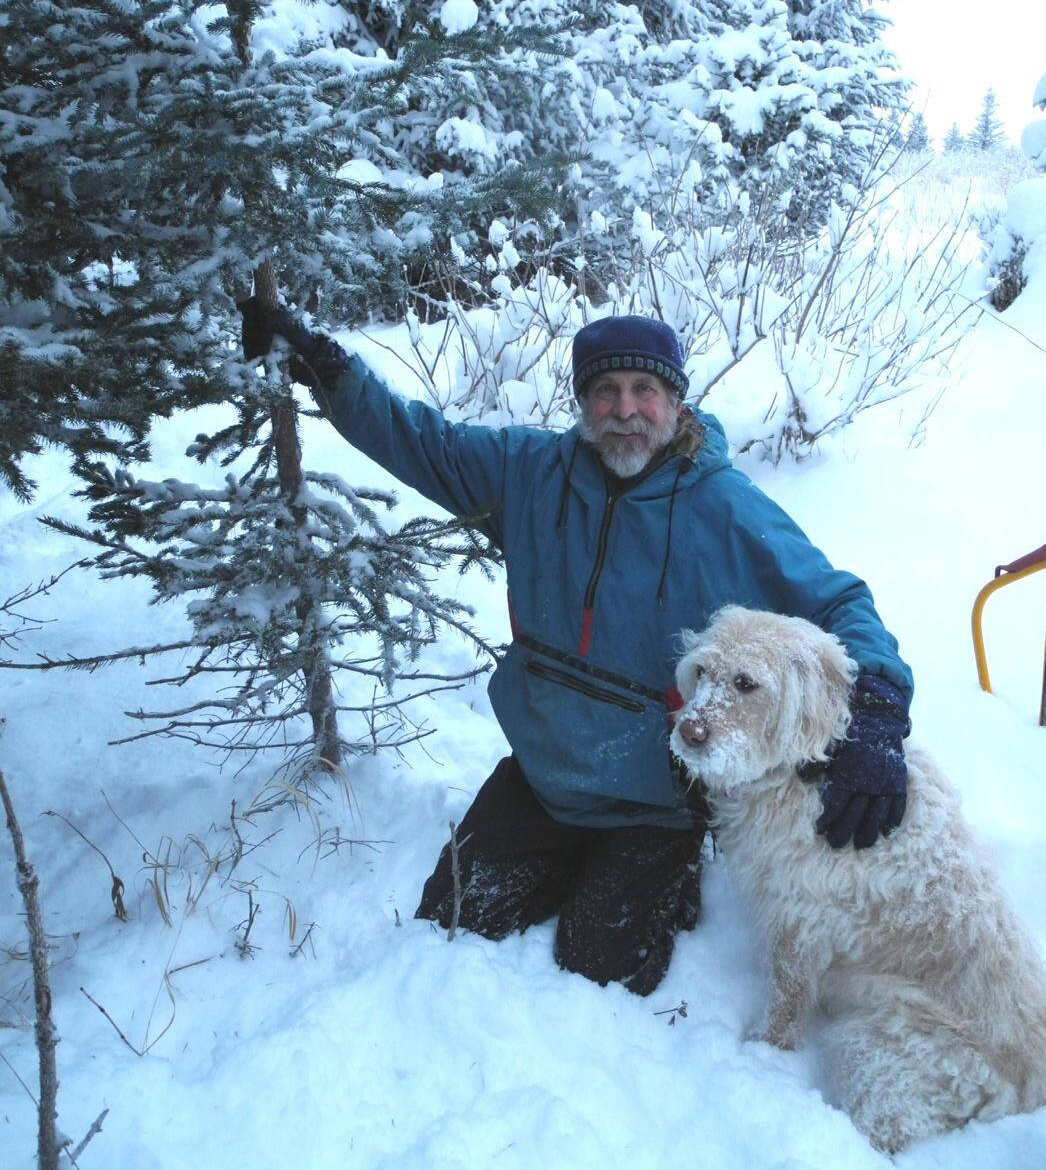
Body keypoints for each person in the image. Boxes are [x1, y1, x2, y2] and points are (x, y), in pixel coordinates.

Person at [239, 303, 913, 996]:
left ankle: (668, 866)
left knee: (600, 964)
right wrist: (330, 371)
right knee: (455, 914)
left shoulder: (726, 509)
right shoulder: (528, 472)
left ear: (675, 402)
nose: (624, 410)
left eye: (643, 390)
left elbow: (840, 603)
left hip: (654, 794)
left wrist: (879, 713)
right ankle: (566, 858)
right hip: (546, 772)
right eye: (604, 390)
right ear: (583, 401)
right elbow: (422, 442)